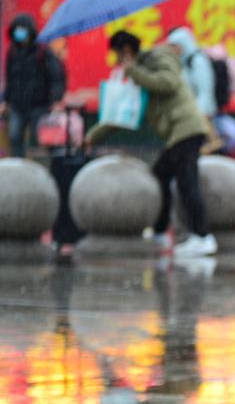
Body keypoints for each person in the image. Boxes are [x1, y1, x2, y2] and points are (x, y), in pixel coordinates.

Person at [84, 31, 217, 258]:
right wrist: (92, 137)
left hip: (186, 128)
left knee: (188, 183)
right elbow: (122, 115)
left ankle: (203, 237)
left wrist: (134, 71)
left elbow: (168, 83)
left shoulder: (158, 57)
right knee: (160, 175)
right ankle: (160, 231)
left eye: (118, 55)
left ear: (126, 51)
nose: (117, 61)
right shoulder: (138, 73)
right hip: (177, 133)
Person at [1, 14, 66, 157]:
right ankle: (19, 168)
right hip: (17, 105)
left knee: (44, 137)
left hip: (39, 104)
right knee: (15, 137)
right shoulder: (12, 52)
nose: (20, 34)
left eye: (23, 30)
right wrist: (5, 100)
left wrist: (56, 98)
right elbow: (10, 79)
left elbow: (57, 76)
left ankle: (55, 165)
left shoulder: (43, 51)